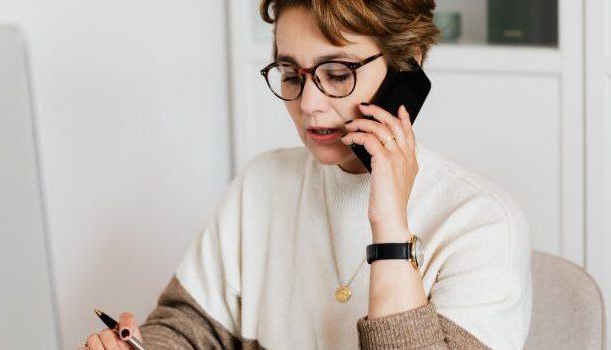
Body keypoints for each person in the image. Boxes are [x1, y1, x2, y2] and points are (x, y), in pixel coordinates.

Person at [80, 0, 532, 349]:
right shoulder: (260, 186)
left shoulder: (481, 224)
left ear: (406, 65)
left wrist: (390, 231)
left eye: (337, 73)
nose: (309, 104)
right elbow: (190, 327)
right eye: (291, 73)